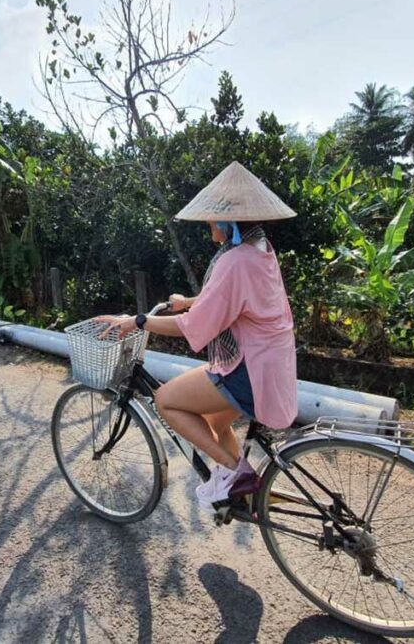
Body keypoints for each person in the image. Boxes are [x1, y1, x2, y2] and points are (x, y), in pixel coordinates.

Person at [97, 161, 298, 509]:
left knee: (166, 401)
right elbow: (238, 299)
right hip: (271, 364)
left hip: (248, 370)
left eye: (211, 218)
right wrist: (188, 301)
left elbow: (194, 327)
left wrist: (139, 321)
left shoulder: (235, 261)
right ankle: (243, 492)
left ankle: (238, 474)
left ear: (226, 221)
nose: (209, 225)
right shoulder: (260, 249)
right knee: (215, 424)